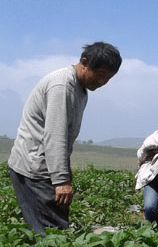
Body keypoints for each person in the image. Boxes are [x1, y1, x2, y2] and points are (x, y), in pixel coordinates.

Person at [8, 42, 122, 235]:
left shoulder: (80, 87)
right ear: (84, 63)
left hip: (40, 165)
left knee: (44, 230)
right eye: (101, 75)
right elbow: (55, 134)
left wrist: (64, 174)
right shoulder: (62, 86)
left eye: (108, 78)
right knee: (54, 233)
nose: (103, 82)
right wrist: (61, 181)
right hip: (35, 168)